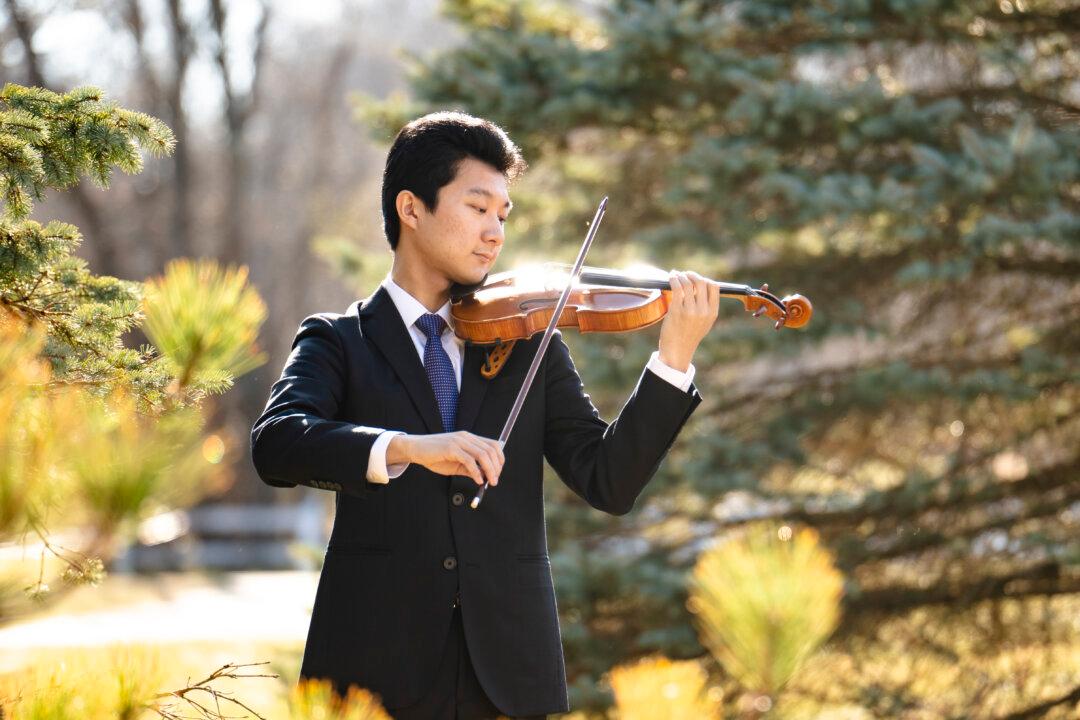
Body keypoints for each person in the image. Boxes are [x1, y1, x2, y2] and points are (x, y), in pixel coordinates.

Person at [250, 112, 720, 719]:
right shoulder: (340, 340)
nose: (495, 233)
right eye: (477, 208)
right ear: (411, 209)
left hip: (506, 674)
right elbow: (278, 444)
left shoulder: (530, 339)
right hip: (372, 670)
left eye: (503, 215)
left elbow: (607, 479)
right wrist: (409, 448)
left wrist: (673, 356)